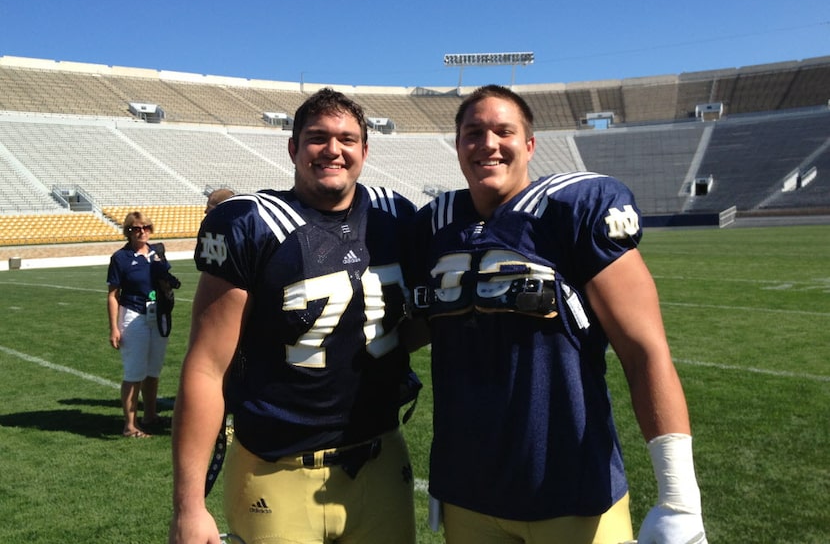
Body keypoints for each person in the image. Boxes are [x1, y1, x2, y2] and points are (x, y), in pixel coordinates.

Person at [410, 85, 707, 544]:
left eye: (503, 131)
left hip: (573, 492)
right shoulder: (435, 222)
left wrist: (679, 497)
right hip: (467, 491)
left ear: (529, 145)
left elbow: (644, 349)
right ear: (458, 146)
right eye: (473, 133)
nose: (487, 143)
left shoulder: (573, 208)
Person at [169, 88, 419, 544]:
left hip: (380, 460)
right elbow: (206, 367)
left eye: (346, 138)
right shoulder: (252, 223)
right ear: (294, 148)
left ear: (365, 149)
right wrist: (188, 505)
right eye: (317, 137)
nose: (333, 149)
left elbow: (414, 320)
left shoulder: (394, 216)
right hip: (275, 469)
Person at [107, 212, 180, 438]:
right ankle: (130, 425)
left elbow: (163, 278)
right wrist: (114, 328)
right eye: (136, 228)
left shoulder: (156, 252)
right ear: (128, 231)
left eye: (146, 227)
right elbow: (113, 295)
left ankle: (150, 415)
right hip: (133, 314)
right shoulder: (121, 258)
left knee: (153, 371)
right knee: (134, 372)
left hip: (157, 315)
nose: (142, 232)